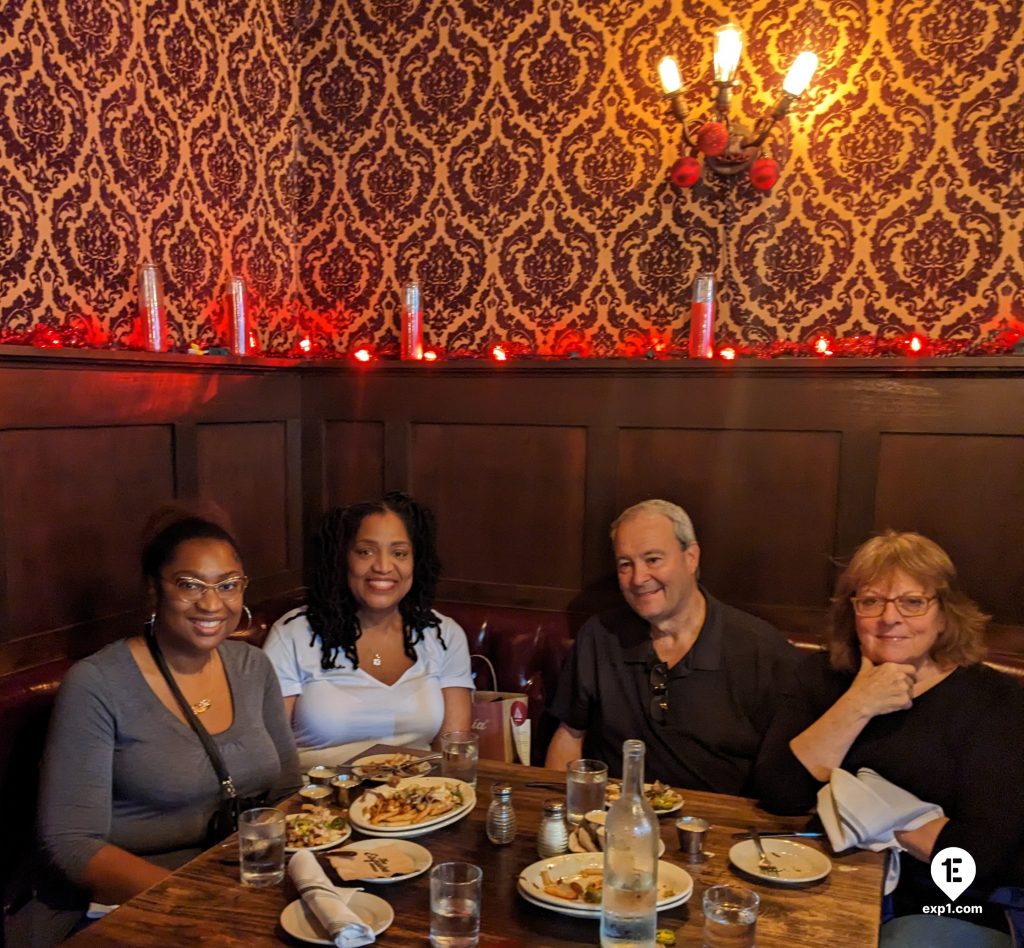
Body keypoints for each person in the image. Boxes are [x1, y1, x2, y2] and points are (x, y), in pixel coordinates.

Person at [33, 504, 300, 943]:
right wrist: (200, 900)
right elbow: (71, 843)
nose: (212, 603)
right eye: (189, 585)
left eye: (228, 585)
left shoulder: (253, 666)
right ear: (154, 591)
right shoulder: (98, 683)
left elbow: (287, 793)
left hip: (242, 887)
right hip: (126, 901)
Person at [754, 530, 1024, 945]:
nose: (889, 617)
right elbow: (779, 791)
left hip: (948, 904)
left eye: (913, 602)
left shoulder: (996, 700)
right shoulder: (821, 678)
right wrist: (860, 703)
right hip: (824, 879)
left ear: (944, 614)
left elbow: (975, 855)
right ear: (853, 612)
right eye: (871, 601)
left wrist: (879, 827)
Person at [545, 498, 796, 794]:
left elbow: (787, 772)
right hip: (612, 821)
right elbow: (570, 735)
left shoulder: (760, 650)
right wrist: (562, 816)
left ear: (691, 557)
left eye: (653, 559)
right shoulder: (600, 636)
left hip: (715, 828)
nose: (638, 578)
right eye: (626, 564)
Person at [263, 492, 473, 767]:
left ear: (415, 562)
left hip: (419, 799)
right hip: (316, 800)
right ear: (343, 558)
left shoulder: (445, 635)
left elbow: (452, 751)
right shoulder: (292, 635)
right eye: (365, 551)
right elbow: (271, 753)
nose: (383, 567)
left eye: (399, 553)